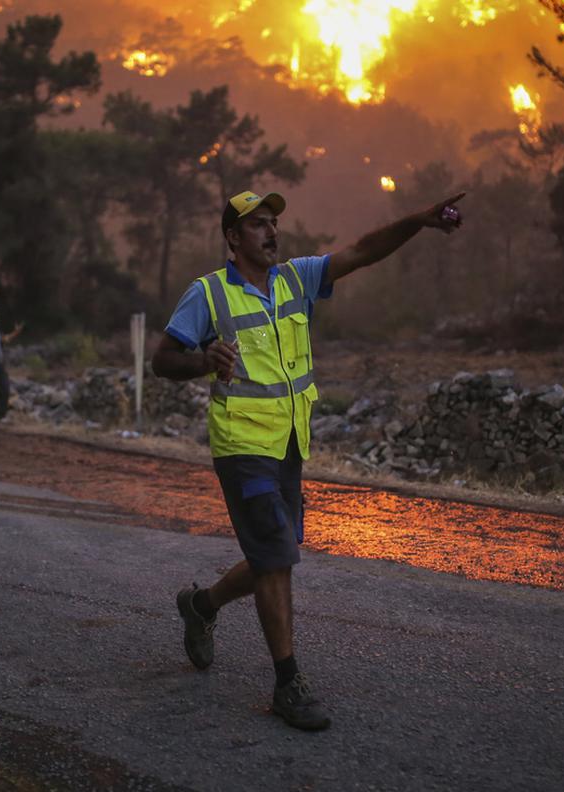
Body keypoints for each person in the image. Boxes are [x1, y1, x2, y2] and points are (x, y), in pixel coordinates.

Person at [152, 189, 464, 731]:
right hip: (242, 446)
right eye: (258, 225)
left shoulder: (297, 279)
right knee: (275, 558)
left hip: (291, 443)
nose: (272, 232)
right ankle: (287, 683)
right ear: (233, 238)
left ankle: (203, 605)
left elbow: (364, 251)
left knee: (274, 551)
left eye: (274, 223)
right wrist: (204, 359)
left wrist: (418, 220)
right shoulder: (207, 294)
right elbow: (162, 360)